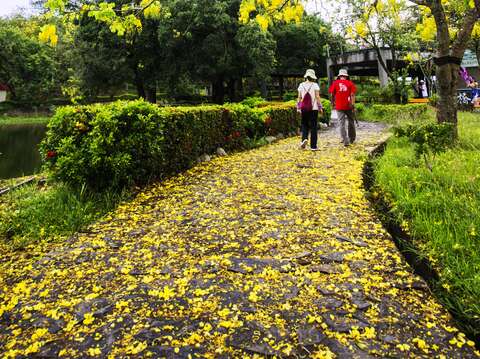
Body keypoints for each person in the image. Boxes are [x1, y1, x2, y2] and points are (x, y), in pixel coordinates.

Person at [329, 69, 357, 147]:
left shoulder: (335, 83)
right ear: (346, 76)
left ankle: (345, 140)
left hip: (339, 106)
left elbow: (332, 94)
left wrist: (332, 103)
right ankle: (352, 138)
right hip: (349, 106)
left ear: (339, 76)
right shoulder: (350, 83)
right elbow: (352, 95)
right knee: (351, 121)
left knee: (341, 123)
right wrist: (353, 104)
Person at [297, 69, 323, 151]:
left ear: (306, 76)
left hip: (304, 108)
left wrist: (298, 107)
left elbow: (299, 98)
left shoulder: (301, 85)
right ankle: (313, 146)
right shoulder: (315, 85)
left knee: (304, 124)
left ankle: (304, 139)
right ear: (313, 77)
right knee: (313, 127)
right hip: (314, 109)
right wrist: (320, 107)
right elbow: (318, 97)